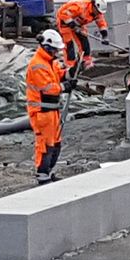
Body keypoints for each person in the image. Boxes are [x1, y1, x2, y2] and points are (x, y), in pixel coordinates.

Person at [25, 29, 74, 185]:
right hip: (41, 111)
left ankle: (49, 172)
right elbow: (47, 88)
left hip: (51, 110)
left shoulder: (49, 62)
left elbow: (59, 74)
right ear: (47, 47)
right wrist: (65, 86)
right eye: (55, 50)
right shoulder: (38, 65)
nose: (56, 53)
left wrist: (70, 73)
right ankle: (42, 175)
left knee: (55, 143)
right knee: (46, 144)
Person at [55, 0, 109, 68]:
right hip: (64, 21)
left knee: (84, 41)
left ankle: (85, 61)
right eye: (98, 11)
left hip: (79, 23)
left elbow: (101, 23)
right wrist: (73, 26)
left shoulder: (98, 14)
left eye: (100, 12)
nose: (98, 14)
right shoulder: (80, 7)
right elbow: (63, 14)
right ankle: (70, 65)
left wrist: (104, 36)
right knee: (69, 44)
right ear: (94, 6)